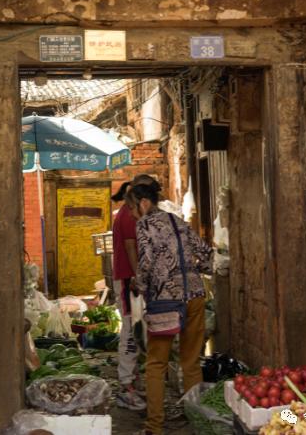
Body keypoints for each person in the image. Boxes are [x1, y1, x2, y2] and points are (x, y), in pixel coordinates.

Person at [125, 181, 213, 435]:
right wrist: (194, 272)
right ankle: (197, 422)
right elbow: (206, 254)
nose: (131, 214)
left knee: (156, 363)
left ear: (143, 203)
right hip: (195, 295)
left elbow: (147, 262)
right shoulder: (178, 222)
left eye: (132, 208)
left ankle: (154, 426)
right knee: (191, 362)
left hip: (165, 301)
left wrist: (138, 284)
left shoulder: (145, 225)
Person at [112, 181, 146, 411]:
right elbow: (131, 247)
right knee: (130, 329)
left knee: (135, 328)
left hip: (129, 278)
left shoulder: (127, 213)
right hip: (128, 279)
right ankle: (126, 386)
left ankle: (131, 380)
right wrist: (137, 276)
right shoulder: (127, 216)